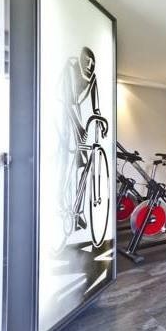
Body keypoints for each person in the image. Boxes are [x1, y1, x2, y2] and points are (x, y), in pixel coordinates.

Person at [61, 46, 108, 231]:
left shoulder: (92, 78)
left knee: (82, 165)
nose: (89, 67)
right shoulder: (70, 68)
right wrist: (79, 129)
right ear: (81, 61)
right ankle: (64, 204)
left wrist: (101, 122)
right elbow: (68, 102)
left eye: (92, 64)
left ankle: (78, 212)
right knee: (67, 162)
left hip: (78, 114)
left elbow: (96, 108)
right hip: (64, 116)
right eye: (87, 63)